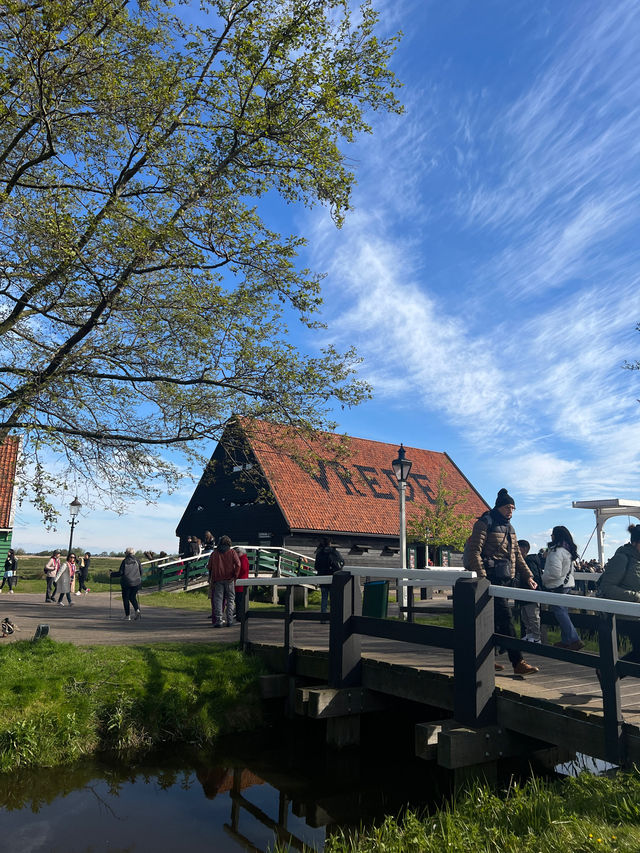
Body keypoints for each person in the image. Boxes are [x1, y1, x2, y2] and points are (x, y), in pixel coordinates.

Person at [462, 488, 539, 676]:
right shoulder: (484, 523)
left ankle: (485, 658)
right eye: (507, 507)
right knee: (506, 618)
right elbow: (474, 551)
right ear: (499, 507)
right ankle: (518, 661)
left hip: (505, 579)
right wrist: (482, 576)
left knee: (492, 621)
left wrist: (528, 576)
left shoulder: (510, 528)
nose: (510, 511)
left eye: (513, 508)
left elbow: (516, 556)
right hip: (490, 578)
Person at [597, 524, 640, 677]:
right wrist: (636, 597)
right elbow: (607, 587)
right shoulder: (622, 558)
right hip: (624, 615)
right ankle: (609, 675)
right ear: (636, 542)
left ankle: (609, 674)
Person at [541, 525, 584, 651]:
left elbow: (554, 573)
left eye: (552, 534)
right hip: (566, 584)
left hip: (557, 585)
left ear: (556, 536)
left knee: (560, 612)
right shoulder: (567, 550)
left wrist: (543, 577)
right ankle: (567, 640)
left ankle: (574, 639)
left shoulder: (556, 551)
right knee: (563, 612)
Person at [207, 535, 240, 627]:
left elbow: (209, 566)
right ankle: (230, 620)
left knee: (218, 600)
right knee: (230, 599)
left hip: (217, 579)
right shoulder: (232, 552)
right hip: (229, 579)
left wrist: (211, 578)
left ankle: (219, 620)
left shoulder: (214, 553)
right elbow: (238, 564)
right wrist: (235, 576)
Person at [517, 540, 543, 643]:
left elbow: (535, 576)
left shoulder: (529, 561)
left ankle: (537, 637)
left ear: (523, 549)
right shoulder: (524, 562)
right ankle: (529, 634)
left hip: (530, 592)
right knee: (525, 616)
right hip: (524, 592)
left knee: (533, 616)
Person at [314, 537, 344, 619]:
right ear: (330, 543)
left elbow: (316, 566)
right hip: (332, 578)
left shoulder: (319, 553)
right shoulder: (334, 552)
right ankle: (333, 617)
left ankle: (323, 617)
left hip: (323, 578)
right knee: (333, 599)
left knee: (324, 598)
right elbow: (342, 563)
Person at [111, 547, 143, 620]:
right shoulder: (137, 561)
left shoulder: (125, 561)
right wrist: (137, 577)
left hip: (126, 582)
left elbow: (121, 572)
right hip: (136, 582)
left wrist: (112, 574)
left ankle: (127, 615)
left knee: (125, 598)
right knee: (132, 597)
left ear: (127, 553)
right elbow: (141, 571)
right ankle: (137, 610)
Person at [234, 546, 250, 623]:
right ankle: (238, 615)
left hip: (241, 583)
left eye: (238, 552)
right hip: (240, 583)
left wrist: (236, 573)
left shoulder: (243, 559)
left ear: (242, 553)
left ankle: (239, 616)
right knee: (238, 600)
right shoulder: (242, 559)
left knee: (239, 600)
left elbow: (243, 569)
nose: (237, 554)